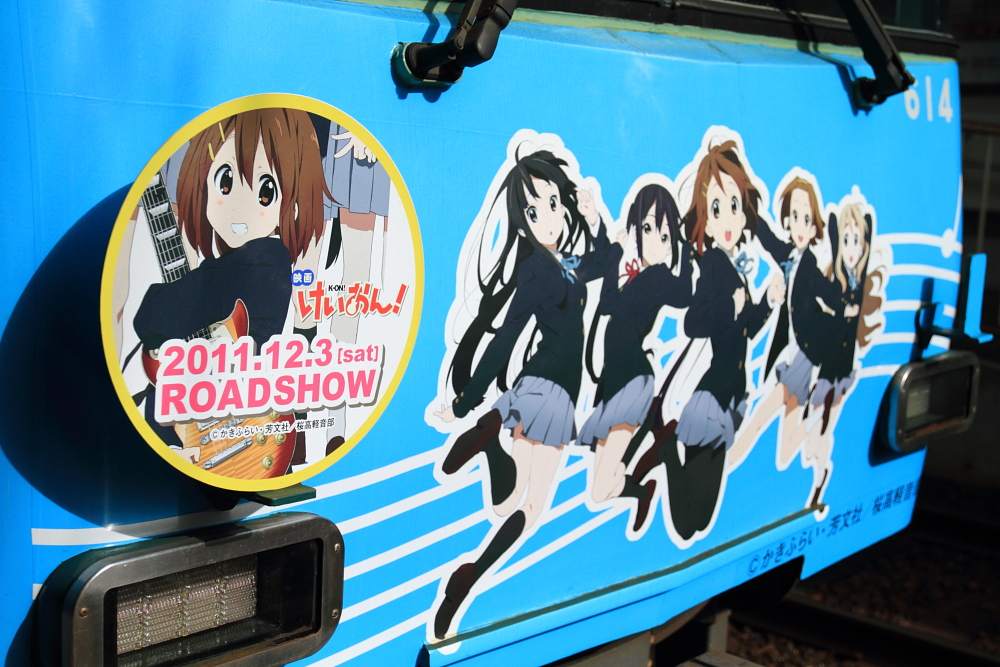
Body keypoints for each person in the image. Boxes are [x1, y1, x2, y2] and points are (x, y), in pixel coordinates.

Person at [431, 148, 608, 639]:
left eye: (552, 204)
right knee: (529, 511)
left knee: (510, 503)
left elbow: (604, 263)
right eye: (533, 211)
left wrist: (594, 220)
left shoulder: (561, 266)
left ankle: (491, 446)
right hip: (554, 393)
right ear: (522, 222)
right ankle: (470, 576)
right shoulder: (540, 269)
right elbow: (506, 337)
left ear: (564, 205)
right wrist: (464, 401)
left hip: (534, 389)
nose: (547, 218)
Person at [132, 108, 329, 461]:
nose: (239, 204)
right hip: (193, 433)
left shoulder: (266, 258)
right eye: (225, 183)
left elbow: (153, 317)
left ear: (293, 203)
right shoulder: (221, 270)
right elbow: (156, 320)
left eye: (265, 191)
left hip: (245, 436)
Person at [652, 140, 784, 541]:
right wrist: (730, 305)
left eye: (734, 206)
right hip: (711, 399)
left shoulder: (734, 268)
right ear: (704, 222)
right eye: (715, 209)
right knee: (690, 519)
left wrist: (766, 302)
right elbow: (694, 322)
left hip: (732, 395)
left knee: (700, 513)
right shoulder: (712, 263)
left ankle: (669, 451)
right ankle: (667, 453)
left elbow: (745, 331)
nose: (727, 219)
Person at [579, 182, 695, 533]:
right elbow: (609, 300)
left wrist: (687, 250)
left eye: (665, 234)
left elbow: (683, 294)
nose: (656, 241)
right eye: (647, 228)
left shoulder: (658, 277)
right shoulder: (639, 275)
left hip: (631, 381)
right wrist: (608, 241)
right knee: (601, 484)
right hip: (616, 379)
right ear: (635, 229)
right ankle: (642, 488)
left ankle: (645, 481)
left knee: (600, 490)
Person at [725, 175, 837, 471]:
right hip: (793, 354)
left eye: (806, 219)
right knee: (787, 449)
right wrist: (746, 201)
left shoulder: (809, 266)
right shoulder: (788, 256)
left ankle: (728, 461)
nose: (799, 226)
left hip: (803, 356)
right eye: (794, 216)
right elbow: (766, 236)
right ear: (787, 220)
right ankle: (819, 419)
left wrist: (845, 302)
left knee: (762, 414)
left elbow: (827, 292)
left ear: (813, 228)